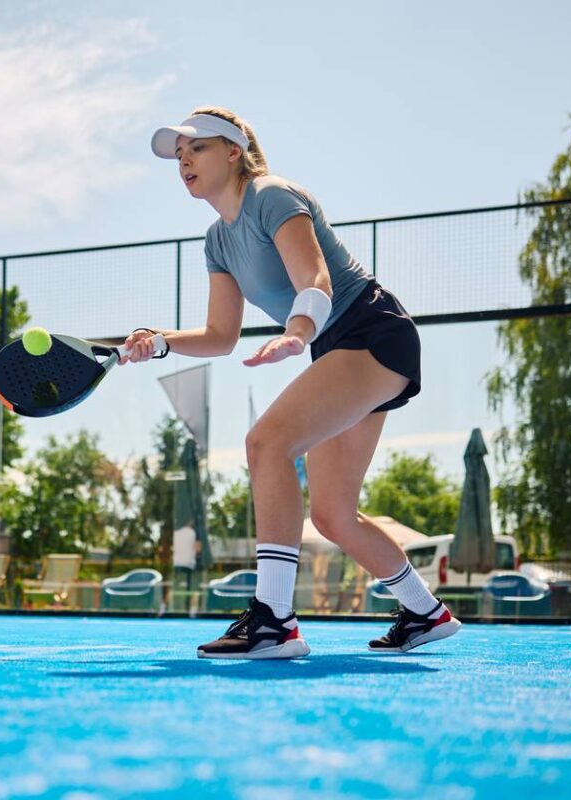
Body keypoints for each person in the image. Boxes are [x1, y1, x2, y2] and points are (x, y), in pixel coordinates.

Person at [122, 108, 461, 658]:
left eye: (196, 148)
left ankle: (274, 622)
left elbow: (315, 278)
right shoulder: (216, 240)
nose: (183, 159)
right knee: (330, 514)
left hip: (371, 330)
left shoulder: (272, 195)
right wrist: (158, 340)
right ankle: (426, 611)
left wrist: (296, 334)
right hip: (335, 346)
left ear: (234, 151)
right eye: (177, 154)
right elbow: (219, 335)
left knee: (267, 442)